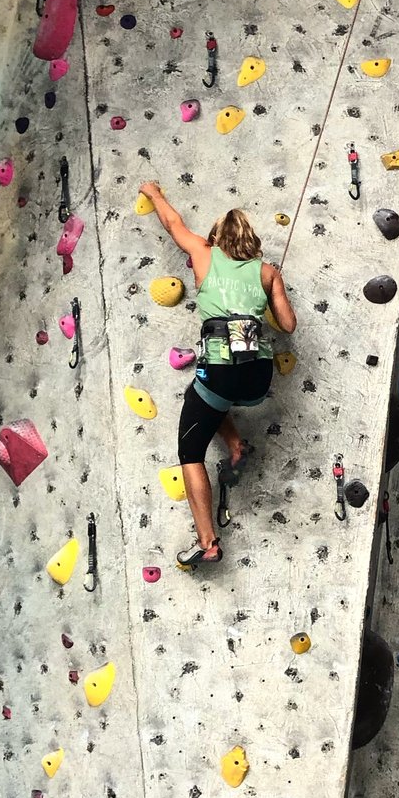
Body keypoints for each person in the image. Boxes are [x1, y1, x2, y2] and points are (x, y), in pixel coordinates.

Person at [138, 182, 297, 569]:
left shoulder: (203, 255)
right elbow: (289, 325)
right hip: (258, 380)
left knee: (190, 449)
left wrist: (154, 192)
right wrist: (269, 286)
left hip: (221, 375)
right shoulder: (267, 272)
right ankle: (236, 444)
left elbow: (173, 222)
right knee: (209, 398)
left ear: (216, 239)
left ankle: (207, 541)